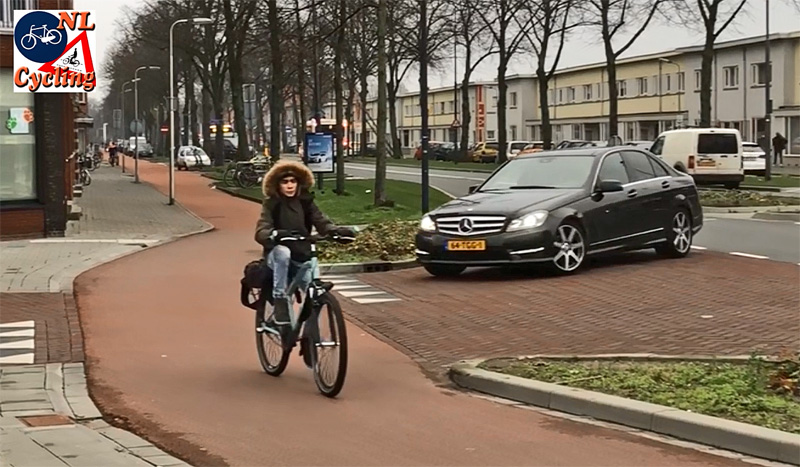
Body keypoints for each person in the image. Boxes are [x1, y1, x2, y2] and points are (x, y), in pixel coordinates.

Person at [255, 160, 354, 328]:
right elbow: (261, 229)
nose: (289, 186)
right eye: (285, 182)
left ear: (299, 183)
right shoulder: (272, 204)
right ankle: (280, 299)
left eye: (293, 181)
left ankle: (310, 337)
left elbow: (320, 221)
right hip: (278, 254)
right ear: (278, 185)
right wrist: (274, 234)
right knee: (283, 253)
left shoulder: (305, 201)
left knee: (314, 294)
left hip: (301, 252)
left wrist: (334, 231)